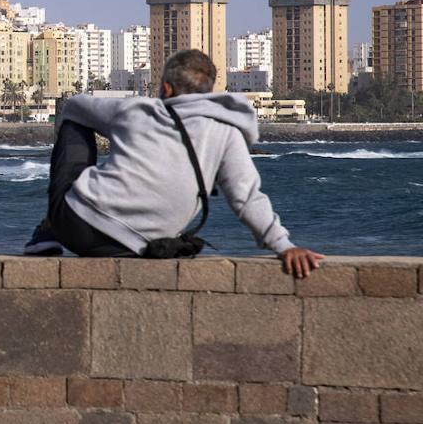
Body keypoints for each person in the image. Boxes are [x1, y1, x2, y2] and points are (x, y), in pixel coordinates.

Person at [23, 48, 324, 278]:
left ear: (166, 88)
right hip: (141, 246)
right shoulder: (225, 131)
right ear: (208, 91)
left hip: (77, 228)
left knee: (75, 121)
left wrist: (119, 130)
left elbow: (74, 106)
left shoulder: (135, 111)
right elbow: (245, 197)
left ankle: (48, 229)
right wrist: (284, 245)